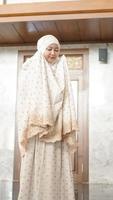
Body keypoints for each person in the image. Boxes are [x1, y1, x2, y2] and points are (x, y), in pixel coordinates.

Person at [17, 35, 78, 200]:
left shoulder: (61, 68)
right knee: (35, 163)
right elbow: (26, 99)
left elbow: (66, 98)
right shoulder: (30, 68)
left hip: (57, 126)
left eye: (56, 49)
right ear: (41, 49)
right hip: (37, 127)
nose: (53, 53)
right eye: (49, 49)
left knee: (55, 163)